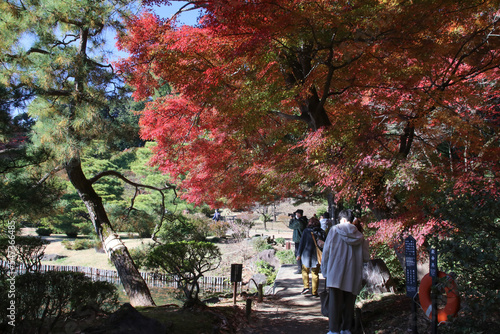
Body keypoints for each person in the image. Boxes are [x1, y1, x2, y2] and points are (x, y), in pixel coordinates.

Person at [321, 209, 370, 334]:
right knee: (349, 302)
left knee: (334, 303)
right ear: (351, 220)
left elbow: (326, 252)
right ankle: (346, 328)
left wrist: (325, 270)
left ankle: (333, 330)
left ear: (342, 219)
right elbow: (366, 257)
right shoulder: (360, 236)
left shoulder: (334, 231)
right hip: (353, 273)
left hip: (335, 272)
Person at [296, 216, 326, 296]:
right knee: (315, 274)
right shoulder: (322, 232)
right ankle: (314, 292)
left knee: (305, 271)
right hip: (317, 256)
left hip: (306, 255)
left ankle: (306, 287)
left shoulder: (306, 231)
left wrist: (298, 254)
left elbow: (302, 243)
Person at [288, 209, 308, 274]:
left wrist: (293, 219)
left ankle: (300, 269)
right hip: (302, 239)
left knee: (298, 254)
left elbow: (291, 226)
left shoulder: (299, 222)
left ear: (299, 214)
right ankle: (303, 268)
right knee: (301, 254)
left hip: (299, 239)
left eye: (296, 214)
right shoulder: (304, 220)